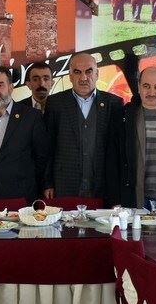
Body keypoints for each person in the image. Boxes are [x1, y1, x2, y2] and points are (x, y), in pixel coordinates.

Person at [43, 53, 124, 204]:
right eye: (77, 72)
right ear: (70, 76)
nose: (83, 78)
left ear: (97, 74)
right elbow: (48, 146)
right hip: (64, 184)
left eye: (88, 71)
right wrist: (48, 183)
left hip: (102, 185)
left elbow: (118, 149)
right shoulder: (55, 103)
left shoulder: (114, 103)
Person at [0, 66, 49, 201]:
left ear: (11, 87)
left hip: (21, 196)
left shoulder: (31, 117)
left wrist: (45, 185)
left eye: (0, 85)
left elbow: (42, 157)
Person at [120, 67, 156, 209]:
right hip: (138, 198)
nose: (152, 92)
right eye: (146, 86)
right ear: (139, 87)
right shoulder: (124, 117)